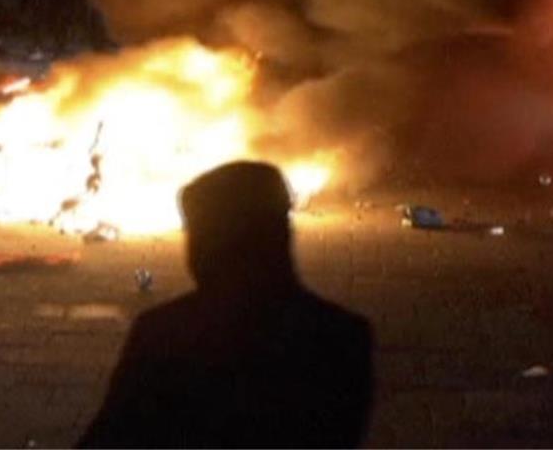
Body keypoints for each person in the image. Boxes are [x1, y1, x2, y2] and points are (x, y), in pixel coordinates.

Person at [78, 161, 374, 449]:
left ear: (214, 242)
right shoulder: (345, 337)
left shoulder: (165, 335)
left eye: (196, 234)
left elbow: (111, 438)